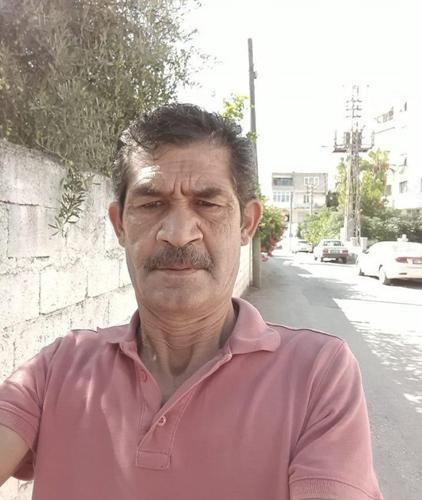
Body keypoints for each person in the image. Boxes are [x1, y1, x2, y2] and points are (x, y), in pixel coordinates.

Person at [0, 104, 382, 499]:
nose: (179, 233)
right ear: (119, 224)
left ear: (246, 223)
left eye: (208, 204)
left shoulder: (317, 374)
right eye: (151, 204)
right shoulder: (59, 367)